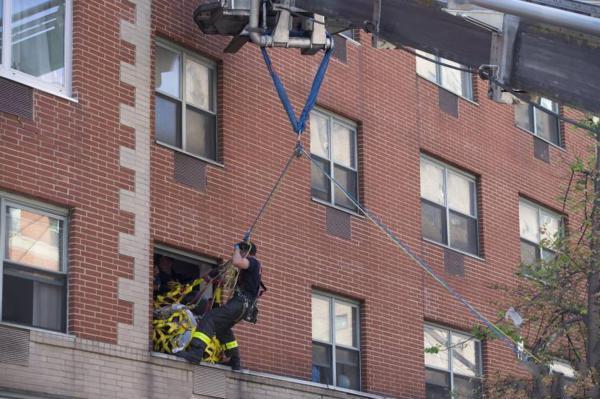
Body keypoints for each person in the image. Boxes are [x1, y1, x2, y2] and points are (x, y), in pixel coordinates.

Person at [178, 241, 261, 370]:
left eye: (242, 251)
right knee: (222, 328)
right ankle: (234, 360)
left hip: (240, 303)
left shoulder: (253, 262)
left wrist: (237, 249)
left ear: (247, 252)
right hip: (242, 306)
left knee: (210, 317)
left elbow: (237, 262)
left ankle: (196, 352)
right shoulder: (249, 270)